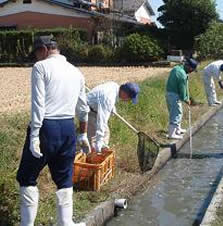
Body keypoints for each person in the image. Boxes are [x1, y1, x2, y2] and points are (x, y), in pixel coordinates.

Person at [16, 36, 90, 226]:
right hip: (67, 128)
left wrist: (34, 136)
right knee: (64, 177)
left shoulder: (41, 68)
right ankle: (66, 223)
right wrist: (82, 133)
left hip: (46, 127)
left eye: (37, 53)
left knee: (27, 176)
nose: (36, 57)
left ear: (44, 50)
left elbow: (38, 105)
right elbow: (83, 108)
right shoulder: (76, 72)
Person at [86, 81, 140, 152]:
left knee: (106, 133)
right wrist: (99, 142)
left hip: (95, 109)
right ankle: (93, 154)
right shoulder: (108, 99)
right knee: (94, 139)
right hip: (88, 111)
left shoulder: (114, 86)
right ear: (124, 93)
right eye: (129, 98)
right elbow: (102, 121)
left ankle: (101, 150)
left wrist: (112, 107)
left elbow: (103, 100)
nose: (128, 100)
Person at [166, 58, 199, 140]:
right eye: (192, 69)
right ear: (188, 67)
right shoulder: (182, 75)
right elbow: (182, 90)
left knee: (175, 111)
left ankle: (178, 129)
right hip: (174, 94)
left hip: (169, 92)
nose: (191, 72)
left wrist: (187, 97)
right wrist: (186, 99)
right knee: (177, 113)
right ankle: (172, 134)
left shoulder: (177, 68)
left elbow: (183, 88)